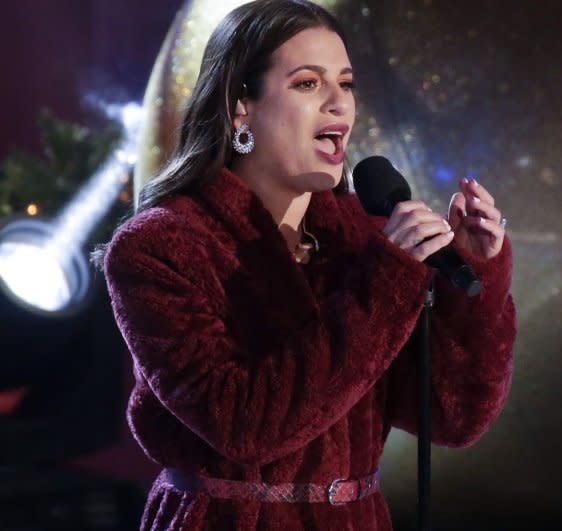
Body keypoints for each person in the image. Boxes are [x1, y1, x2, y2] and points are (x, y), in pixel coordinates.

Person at [99, 0, 516, 529]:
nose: (339, 105)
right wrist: (386, 283)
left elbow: (456, 418)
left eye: (346, 84)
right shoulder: (161, 246)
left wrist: (474, 281)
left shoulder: (363, 238)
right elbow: (247, 427)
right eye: (307, 84)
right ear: (239, 106)